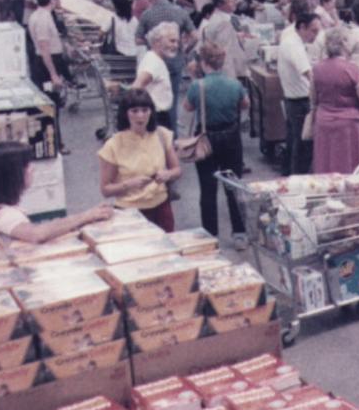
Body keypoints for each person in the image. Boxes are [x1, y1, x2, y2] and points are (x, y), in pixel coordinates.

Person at [0, 142, 111, 251]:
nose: (33, 168)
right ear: (13, 175)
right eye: (27, 165)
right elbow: (38, 234)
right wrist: (86, 216)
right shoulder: (7, 216)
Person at [182, 41, 250, 245]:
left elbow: (187, 107)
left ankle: (210, 235)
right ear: (222, 61)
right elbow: (245, 104)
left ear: (203, 62)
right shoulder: (235, 84)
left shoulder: (197, 86)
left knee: (208, 187)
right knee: (233, 185)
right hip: (231, 137)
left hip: (206, 138)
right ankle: (240, 233)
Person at [98, 88, 182, 232]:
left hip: (162, 208)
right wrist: (128, 184)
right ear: (126, 113)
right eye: (135, 111)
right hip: (130, 212)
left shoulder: (162, 135)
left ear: (151, 111)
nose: (140, 116)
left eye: (145, 110)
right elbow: (105, 189)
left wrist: (168, 174)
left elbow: (177, 170)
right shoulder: (114, 145)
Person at [311, 29, 359, 174]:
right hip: (348, 124)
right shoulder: (354, 70)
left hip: (323, 122)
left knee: (325, 162)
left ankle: (328, 192)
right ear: (344, 44)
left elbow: (313, 98)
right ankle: (347, 194)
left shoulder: (316, 69)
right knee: (347, 164)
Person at [136, 0, 198, 136]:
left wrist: (152, 44)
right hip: (175, 62)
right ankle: (172, 135)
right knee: (172, 99)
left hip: (155, 62)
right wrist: (183, 50)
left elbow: (137, 39)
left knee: (155, 100)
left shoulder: (147, 14)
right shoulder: (180, 12)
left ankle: (157, 133)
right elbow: (195, 36)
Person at [277, 12, 321, 176]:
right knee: (303, 146)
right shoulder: (294, 46)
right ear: (302, 27)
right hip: (300, 102)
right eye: (313, 31)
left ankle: (288, 175)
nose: (315, 36)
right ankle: (299, 181)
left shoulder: (292, 41)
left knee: (293, 142)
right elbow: (309, 74)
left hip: (293, 100)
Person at [28, 0, 77, 96]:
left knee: (52, 95)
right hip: (47, 62)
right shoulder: (43, 19)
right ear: (52, 0)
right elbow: (44, 47)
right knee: (51, 95)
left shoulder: (38, 15)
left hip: (48, 60)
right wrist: (53, 74)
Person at [132, 22, 180, 132]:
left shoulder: (155, 59)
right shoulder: (153, 62)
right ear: (157, 42)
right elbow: (136, 87)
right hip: (156, 118)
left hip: (158, 116)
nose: (176, 45)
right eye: (172, 41)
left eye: (177, 42)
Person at [199, 0, 250, 81]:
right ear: (220, 4)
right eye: (231, 1)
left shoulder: (217, 18)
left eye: (234, 0)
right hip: (226, 74)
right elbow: (225, 55)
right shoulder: (223, 23)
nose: (235, 3)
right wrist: (230, 81)